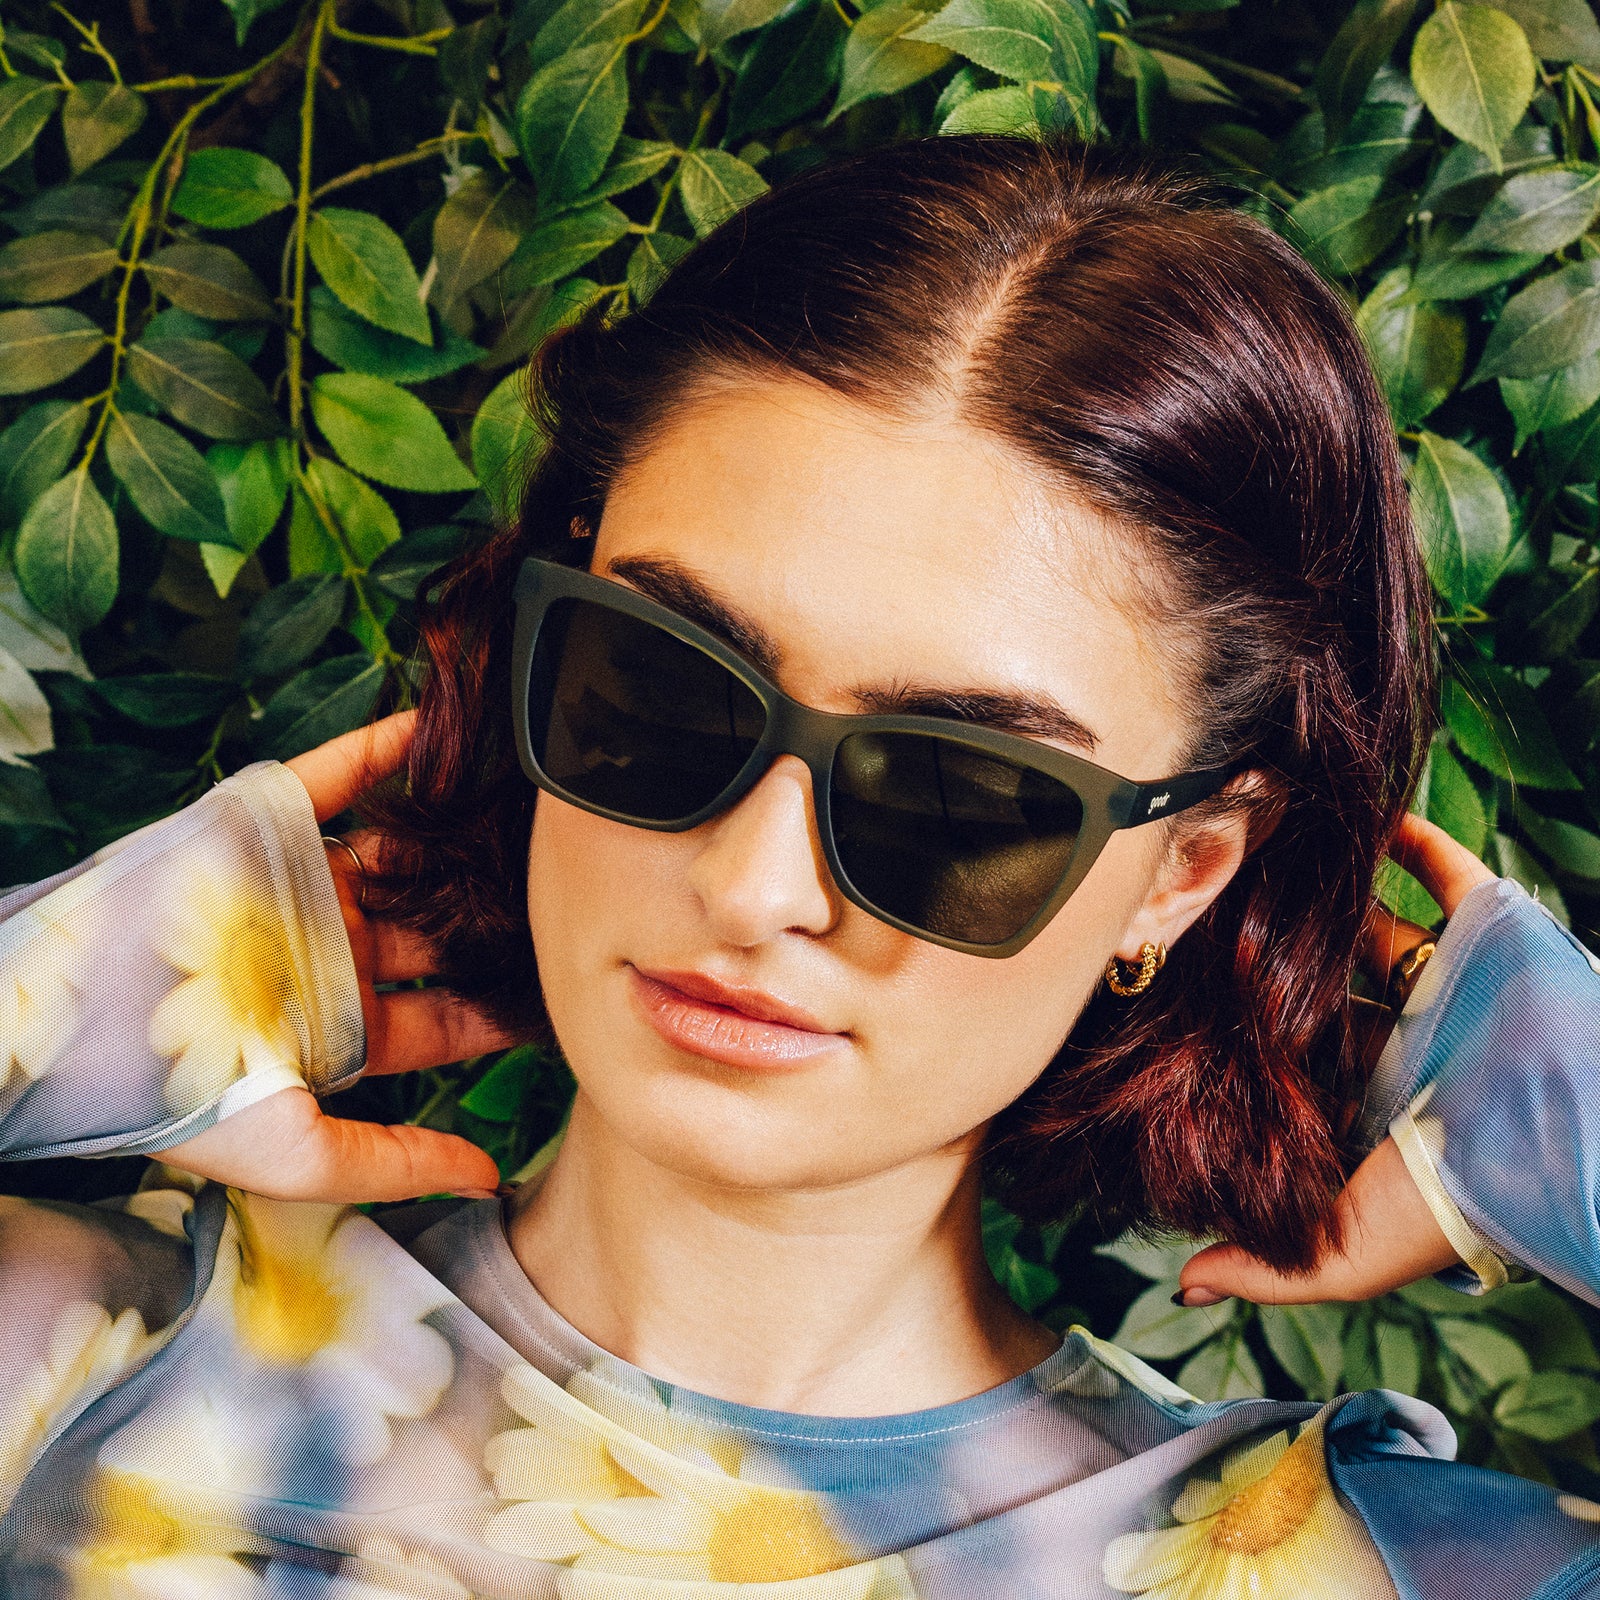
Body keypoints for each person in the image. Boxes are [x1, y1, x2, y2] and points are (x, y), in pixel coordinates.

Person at [0, 135, 1596, 1600]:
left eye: (962, 791)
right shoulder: (80, 1350)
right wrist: (54, 997)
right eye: (662, 682)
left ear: (1183, 869)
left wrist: (1574, 1122)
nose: (754, 887)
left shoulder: (1347, 1571)